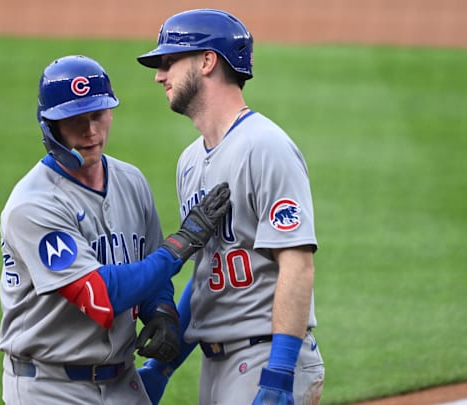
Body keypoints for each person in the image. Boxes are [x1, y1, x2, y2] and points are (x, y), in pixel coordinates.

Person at [0, 54, 231, 405]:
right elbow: (99, 297)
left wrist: (161, 311)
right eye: (75, 120)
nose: (91, 131)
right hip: (50, 387)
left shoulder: (130, 181)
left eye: (98, 115)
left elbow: (151, 271)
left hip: (123, 381)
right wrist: (179, 246)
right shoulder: (33, 205)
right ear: (50, 126)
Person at [135, 9, 325, 405]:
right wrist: (161, 368)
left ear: (207, 61)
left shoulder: (265, 147)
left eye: (169, 61)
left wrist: (278, 375)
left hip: (265, 357)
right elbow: (206, 276)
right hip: (217, 363)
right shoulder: (189, 161)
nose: (159, 75)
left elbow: (298, 263)